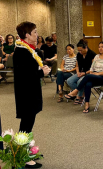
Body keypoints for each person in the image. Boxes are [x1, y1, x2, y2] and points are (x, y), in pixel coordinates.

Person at [14, 21, 51, 168]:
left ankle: (24, 152)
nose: (37, 35)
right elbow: (25, 76)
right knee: (26, 126)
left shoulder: (27, 49)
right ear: (27, 35)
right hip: (27, 95)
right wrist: (41, 72)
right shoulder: (21, 51)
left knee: (27, 125)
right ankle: (22, 157)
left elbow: (29, 70)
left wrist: (41, 69)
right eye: (34, 32)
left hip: (29, 93)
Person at [65, 41, 103, 113]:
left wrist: (97, 74)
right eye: (99, 47)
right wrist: (93, 73)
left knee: (87, 76)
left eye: (102, 47)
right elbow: (92, 68)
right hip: (93, 76)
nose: (100, 48)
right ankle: (87, 104)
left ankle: (75, 91)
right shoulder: (97, 56)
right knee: (88, 84)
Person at [66, 39, 96, 105]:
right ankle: (82, 94)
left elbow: (93, 69)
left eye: (81, 50)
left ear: (86, 48)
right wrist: (78, 72)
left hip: (88, 73)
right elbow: (77, 66)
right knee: (69, 81)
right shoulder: (79, 55)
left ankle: (78, 96)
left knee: (80, 81)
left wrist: (84, 73)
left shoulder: (92, 54)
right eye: (78, 50)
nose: (80, 52)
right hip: (81, 72)